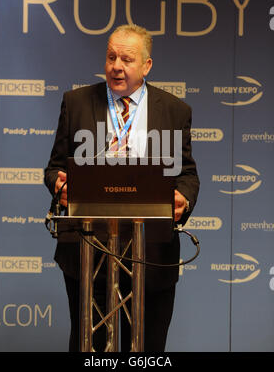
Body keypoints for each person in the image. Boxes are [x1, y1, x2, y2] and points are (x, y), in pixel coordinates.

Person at [44, 24, 200, 352]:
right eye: (111, 56)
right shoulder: (76, 103)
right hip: (88, 246)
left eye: (127, 59)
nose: (117, 65)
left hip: (151, 251)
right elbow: (55, 168)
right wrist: (61, 187)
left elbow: (187, 174)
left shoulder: (175, 111)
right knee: (89, 345)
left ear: (147, 65)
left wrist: (183, 198)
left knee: (147, 347)